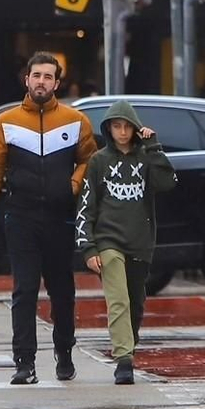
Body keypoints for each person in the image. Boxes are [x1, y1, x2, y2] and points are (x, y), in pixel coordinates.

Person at [0, 52, 96, 385]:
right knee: (24, 290)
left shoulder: (75, 120)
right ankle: (24, 363)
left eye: (48, 77)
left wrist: (72, 184)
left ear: (57, 82)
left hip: (59, 216)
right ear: (26, 79)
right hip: (20, 215)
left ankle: (64, 351)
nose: (41, 81)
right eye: (36, 75)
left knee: (62, 290)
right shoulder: (7, 122)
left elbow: (90, 161)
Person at [74, 102, 175, 385]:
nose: (121, 132)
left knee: (135, 302)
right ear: (108, 128)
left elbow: (167, 183)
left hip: (140, 242)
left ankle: (128, 344)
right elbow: (87, 205)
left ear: (134, 128)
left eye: (126, 126)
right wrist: (88, 247)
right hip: (108, 241)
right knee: (117, 299)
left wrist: (153, 146)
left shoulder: (146, 158)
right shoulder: (98, 161)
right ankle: (124, 360)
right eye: (116, 126)